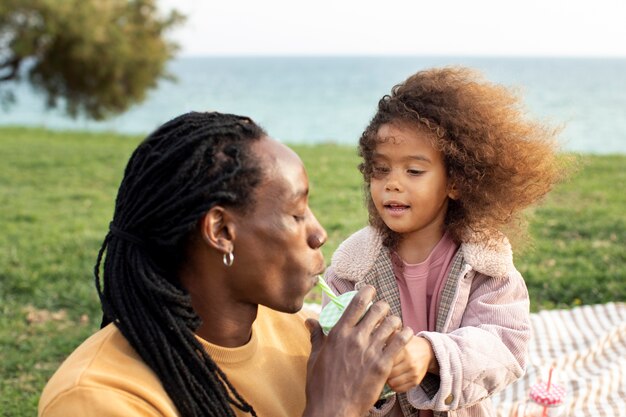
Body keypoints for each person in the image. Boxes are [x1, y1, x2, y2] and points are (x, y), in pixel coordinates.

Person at [38, 111, 413, 417]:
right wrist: (336, 408)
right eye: (297, 213)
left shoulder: (300, 336)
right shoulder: (96, 400)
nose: (319, 234)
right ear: (220, 231)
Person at [322, 67, 566, 417]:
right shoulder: (352, 267)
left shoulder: (485, 262)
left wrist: (430, 354)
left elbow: (503, 344)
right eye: (380, 169)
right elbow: (336, 354)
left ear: (456, 181)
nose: (392, 183)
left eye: (414, 171)